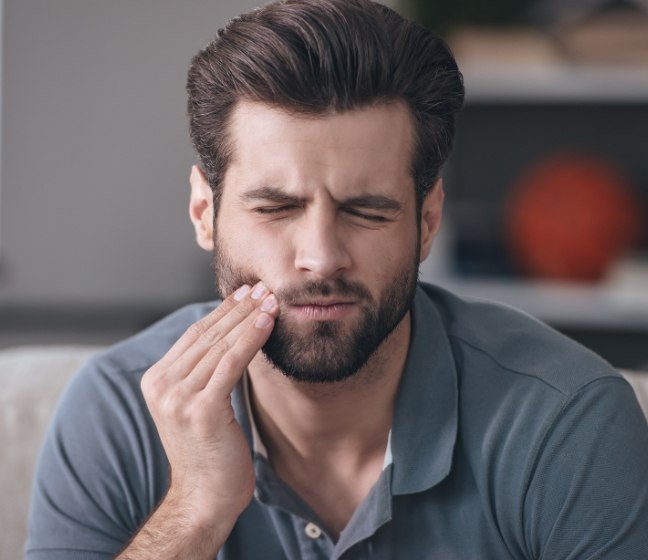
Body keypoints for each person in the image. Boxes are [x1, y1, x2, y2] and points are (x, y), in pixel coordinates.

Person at [26, 0, 648, 558]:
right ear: (203, 214)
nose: (321, 258)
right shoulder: (115, 411)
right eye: (275, 208)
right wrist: (193, 514)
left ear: (428, 221)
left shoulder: (565, 421)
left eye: (367, 211)